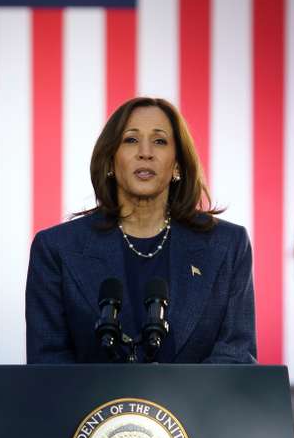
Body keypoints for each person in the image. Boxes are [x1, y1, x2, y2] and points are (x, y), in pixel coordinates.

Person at [25, 97, 256, 364]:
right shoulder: (56, 250)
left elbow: (236, 356)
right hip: (88, 407)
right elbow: (48, 365)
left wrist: (169, 404)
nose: (145, 152)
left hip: (198, 406)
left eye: (160, 141)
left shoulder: (227, 245)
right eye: (131, 140)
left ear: (177, 165)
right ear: (110, 161)